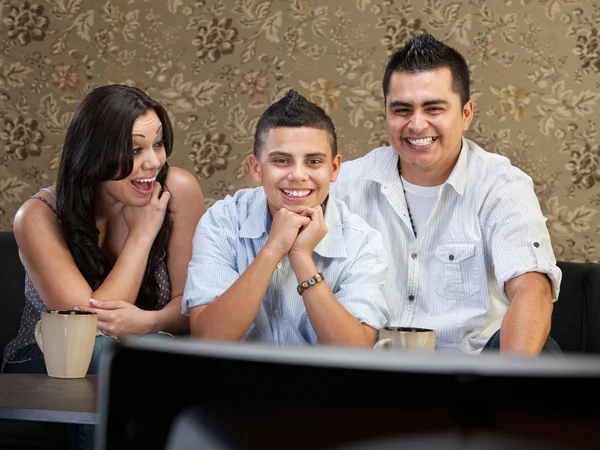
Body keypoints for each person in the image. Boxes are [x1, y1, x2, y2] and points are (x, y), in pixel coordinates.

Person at [330, 34, 562, 355]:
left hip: (469, 378)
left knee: (544, 353)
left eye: (433, 108)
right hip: (371, 373)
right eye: (401, 109)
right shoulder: (345, 183)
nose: (416, 124)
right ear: (386, 112)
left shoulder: (501, 184)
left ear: (466, 114)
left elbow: (531, 290)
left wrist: (508, 380)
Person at [2, 85, 206, 448]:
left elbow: (193, 305)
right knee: (113, 354)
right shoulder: (37, 215)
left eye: (158, 144)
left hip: (147, 345)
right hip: (46, 358)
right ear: (94, 153)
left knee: (149, 356)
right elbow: (91, 329)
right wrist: (142, 236)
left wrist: (149, 322)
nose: (153, 162)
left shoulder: (178, 190)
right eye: (134, 149)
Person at [183, 90, 389, 345]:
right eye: (282, 160)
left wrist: (302, 258)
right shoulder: (222, 221)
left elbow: (354, 351)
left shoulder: (363, 241)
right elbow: (207, 339)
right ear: (257, 168)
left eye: (313, 161)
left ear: (334, 168)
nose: (298, 175)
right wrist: (273, 249)